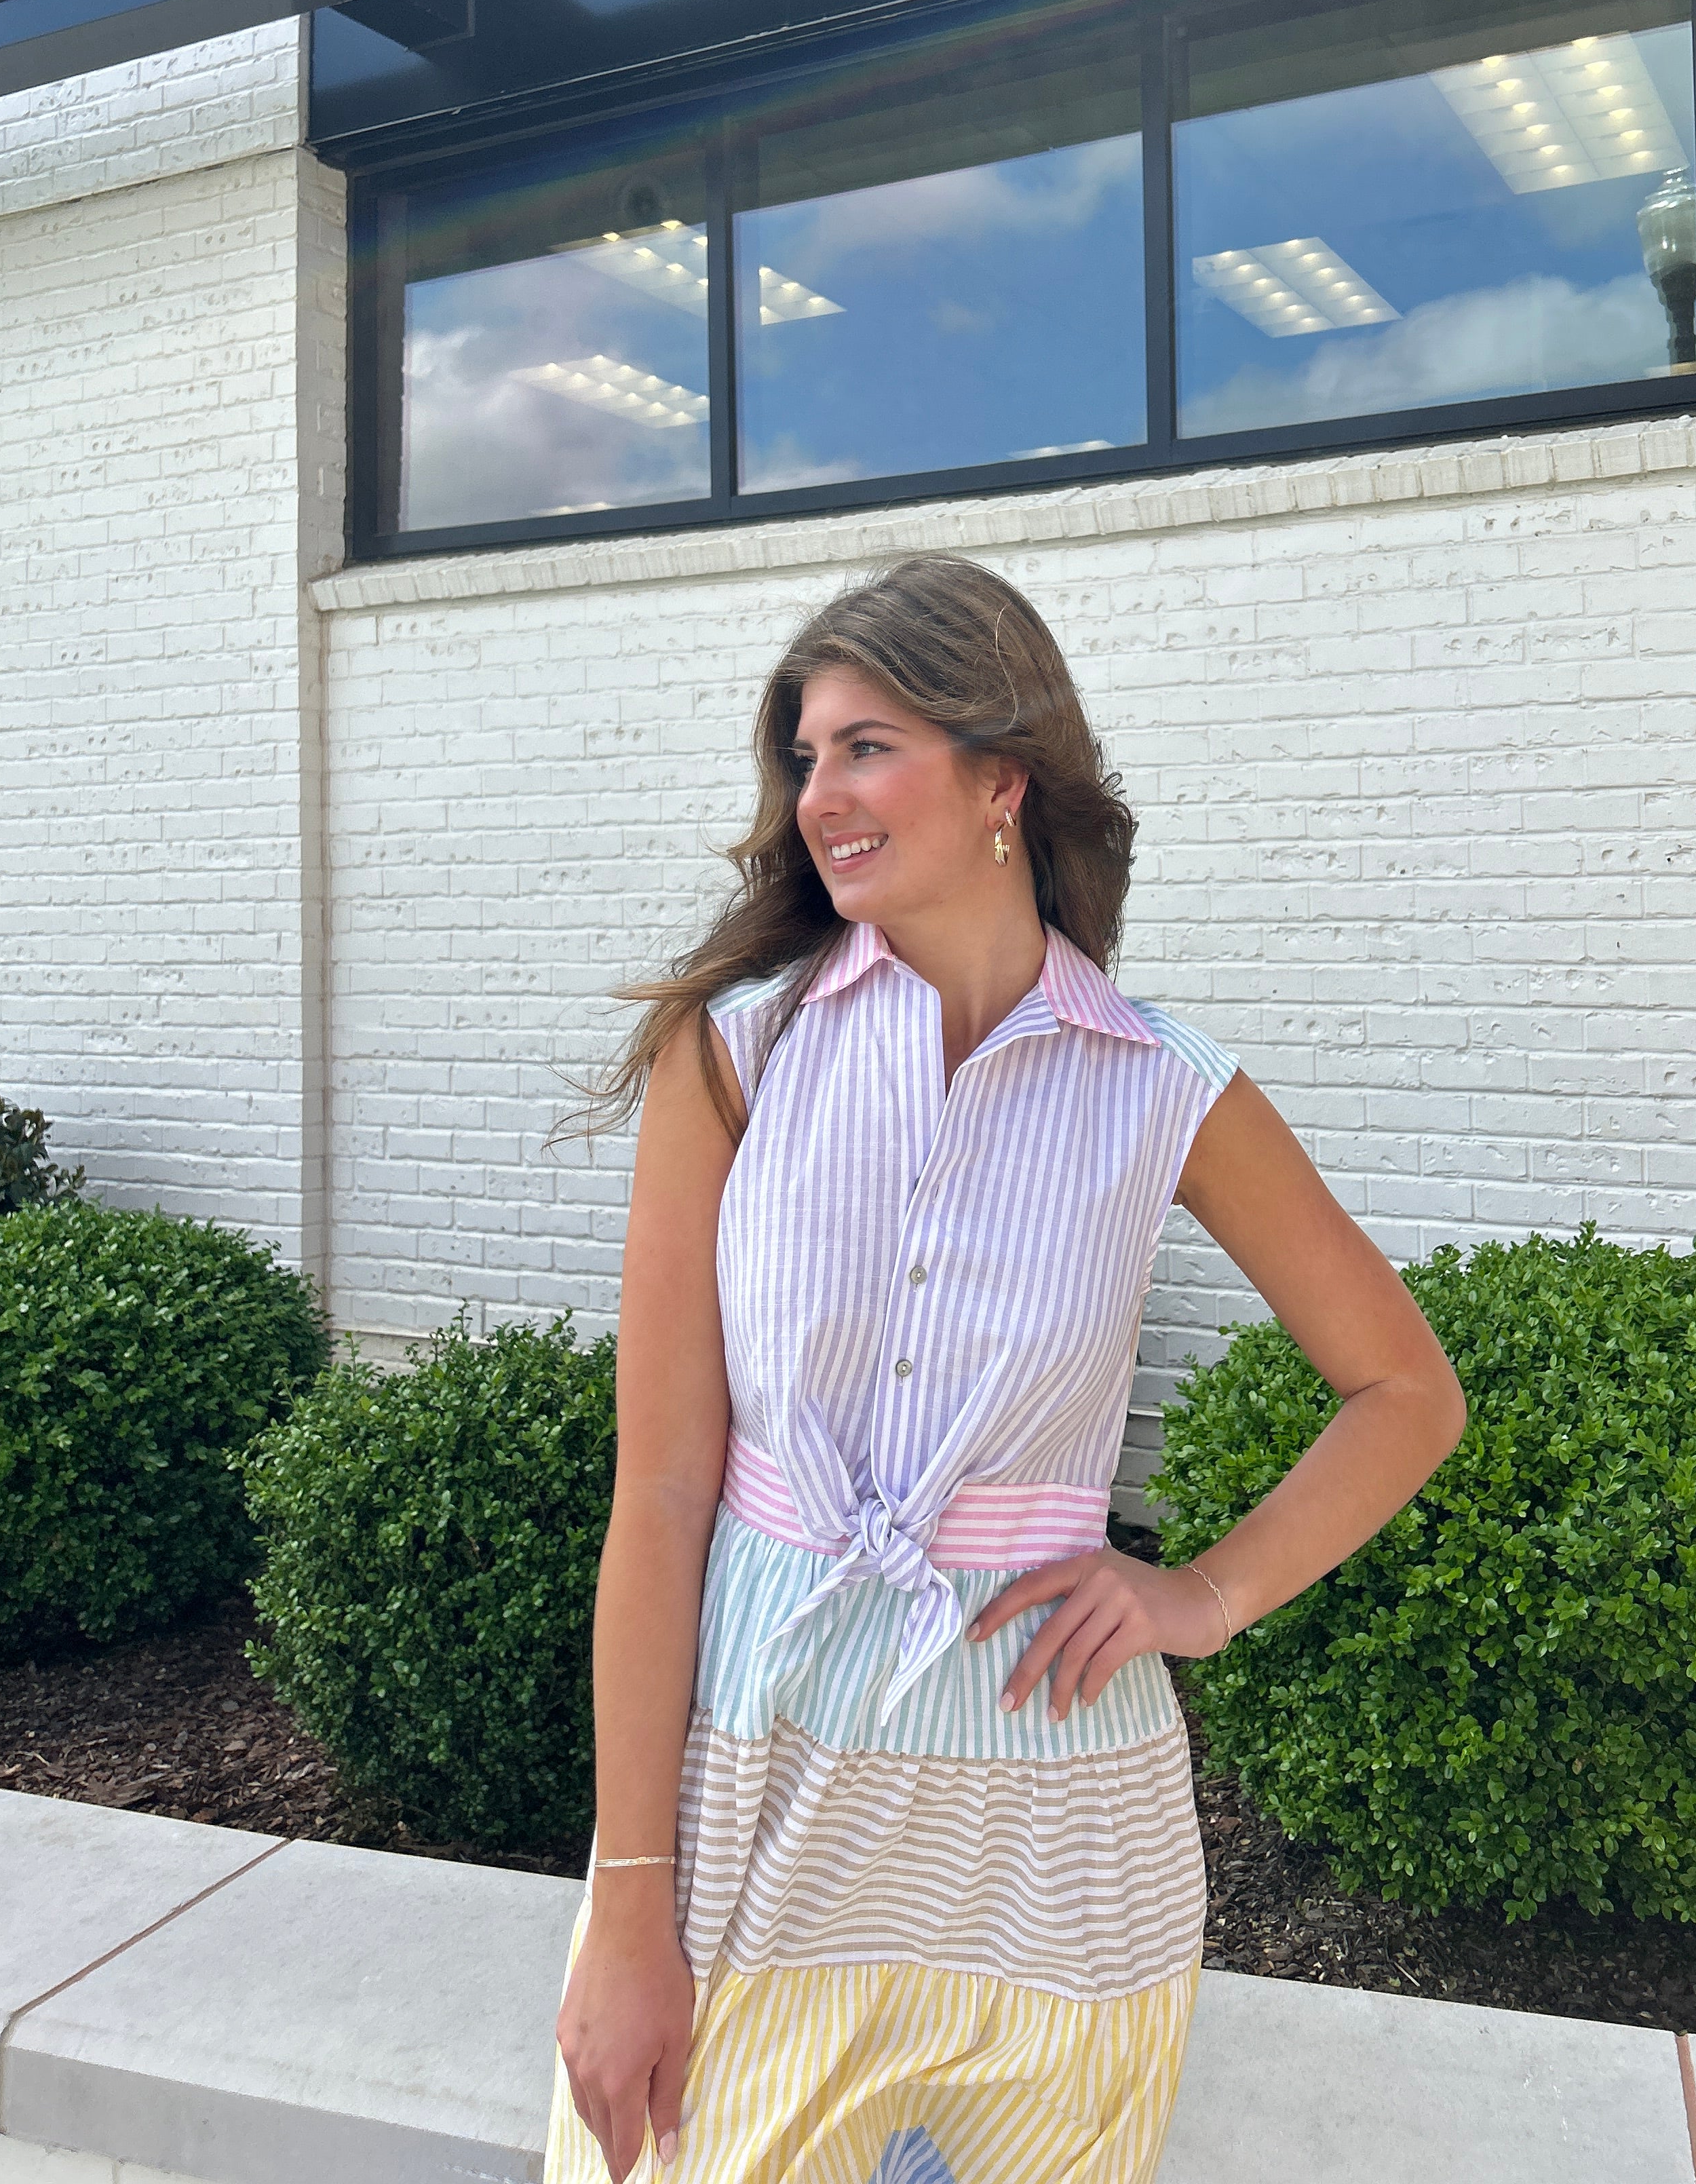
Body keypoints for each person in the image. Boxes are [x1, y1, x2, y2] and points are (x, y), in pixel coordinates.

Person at [546, 553, 1466, 2184]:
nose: (819, 797)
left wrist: (1206, 1595)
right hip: (763, 1778)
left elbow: (1408, 1393)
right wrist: (626, 1899)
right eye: (806, 758)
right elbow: (665, 1489)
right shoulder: (738, 1052)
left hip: (1057, 1835)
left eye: (868, 747)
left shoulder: (1162, 1085)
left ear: (1001, 781)